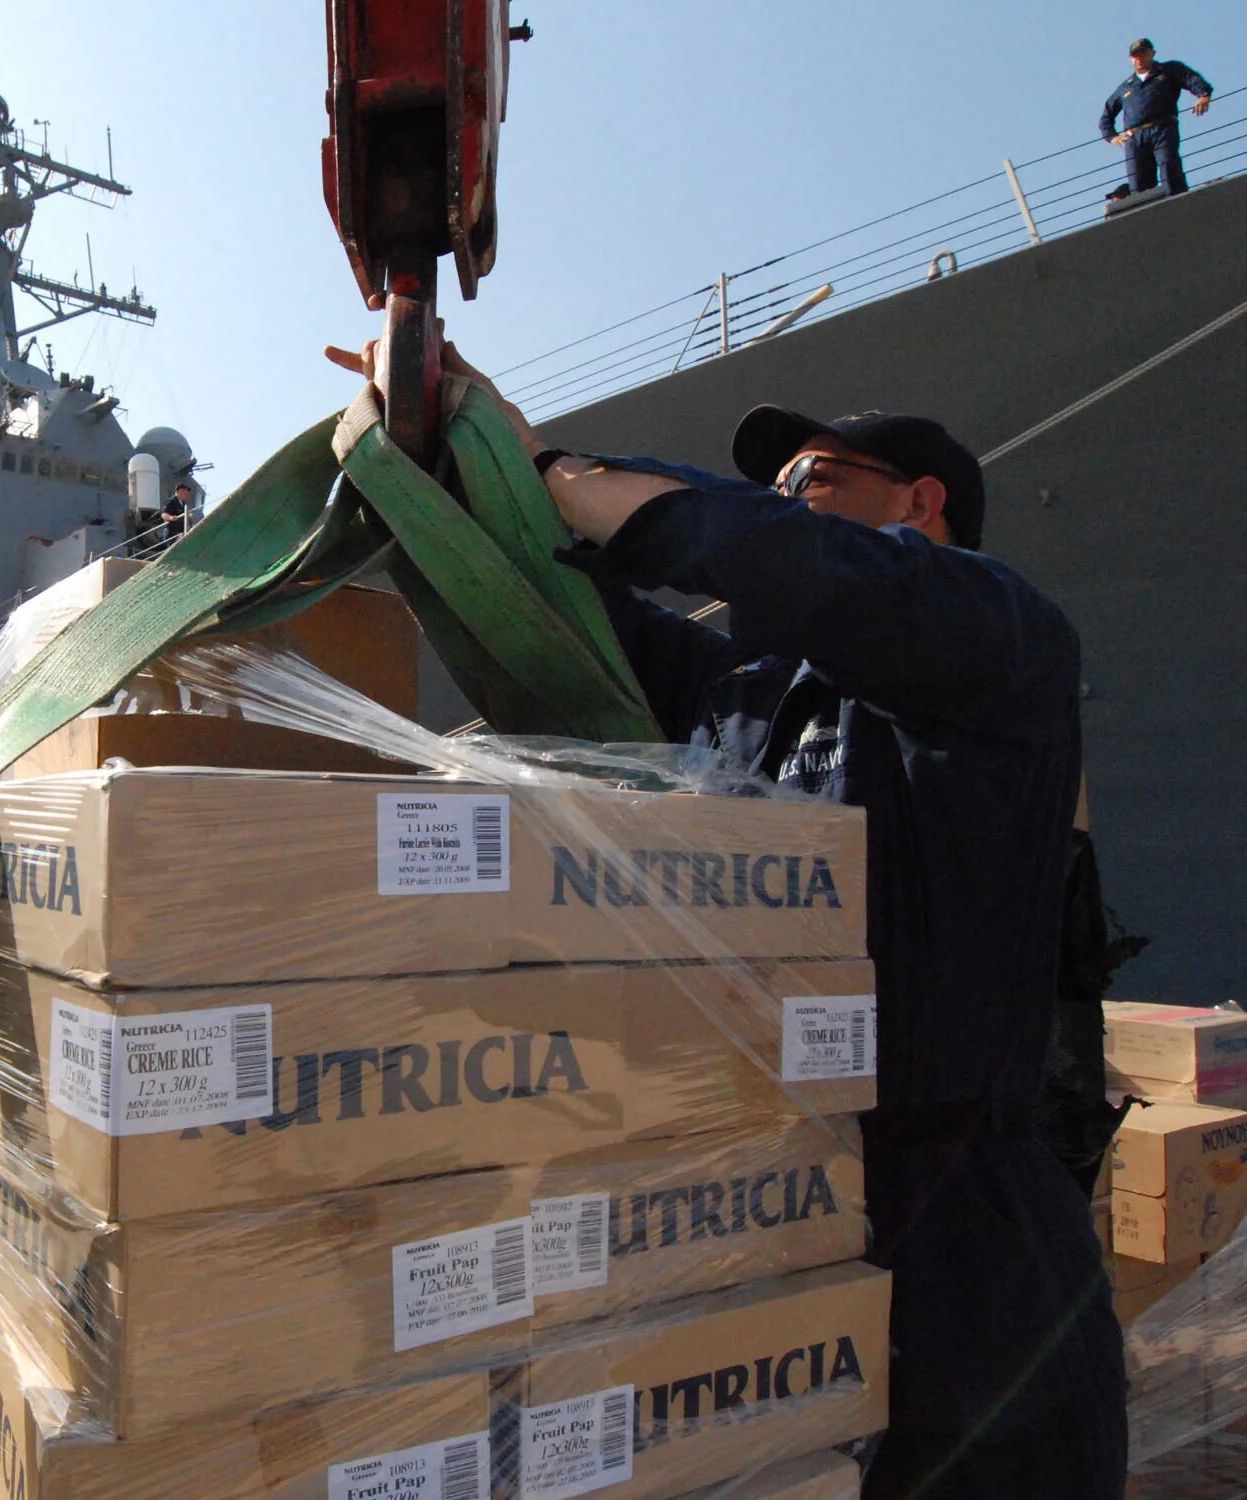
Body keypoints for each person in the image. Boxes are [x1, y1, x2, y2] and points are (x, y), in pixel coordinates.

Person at [425, 350, 1126, 1498]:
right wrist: (462, 468)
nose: (791, 490)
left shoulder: (1004, 640)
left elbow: (803, 565)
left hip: (968, 1237)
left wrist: (565, 469)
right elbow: (572, 627)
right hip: (786, 1200)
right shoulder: (749, 698)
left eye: (816, 472)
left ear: (920, 501)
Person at [1101, 38, 1214, 198]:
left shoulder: (1168, 70)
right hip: (1134, 137)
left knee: (1169, 167)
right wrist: (1113, 137)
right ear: (1130, 59)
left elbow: (1190, 78)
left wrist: (1203, 95)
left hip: (1162, 128)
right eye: (1135, 55)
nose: (1139, 58)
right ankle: (1146, 215)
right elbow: (1106, 117)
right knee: (1138, 182)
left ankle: (1178, 203)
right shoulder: (1126, 86)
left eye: (1143, 53)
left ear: (1152, 54)